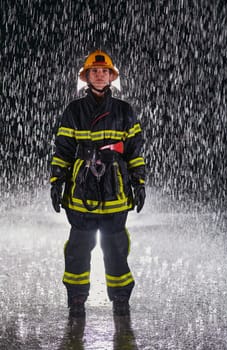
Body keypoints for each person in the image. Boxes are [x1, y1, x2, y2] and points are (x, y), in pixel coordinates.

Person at [50, 50, 146, 318]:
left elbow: (135, 151)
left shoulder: (124, 111)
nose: (100, 75)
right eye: (94, 71)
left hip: (115, 189)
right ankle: (77, 299)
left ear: (112, 77)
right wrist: (57, 181)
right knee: (79, 247)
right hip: (81, 191)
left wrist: (139, 183)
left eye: (104, 72)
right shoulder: (74, 110)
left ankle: (120, 300)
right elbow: (63, 148)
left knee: (116, 247)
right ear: (87, 77)